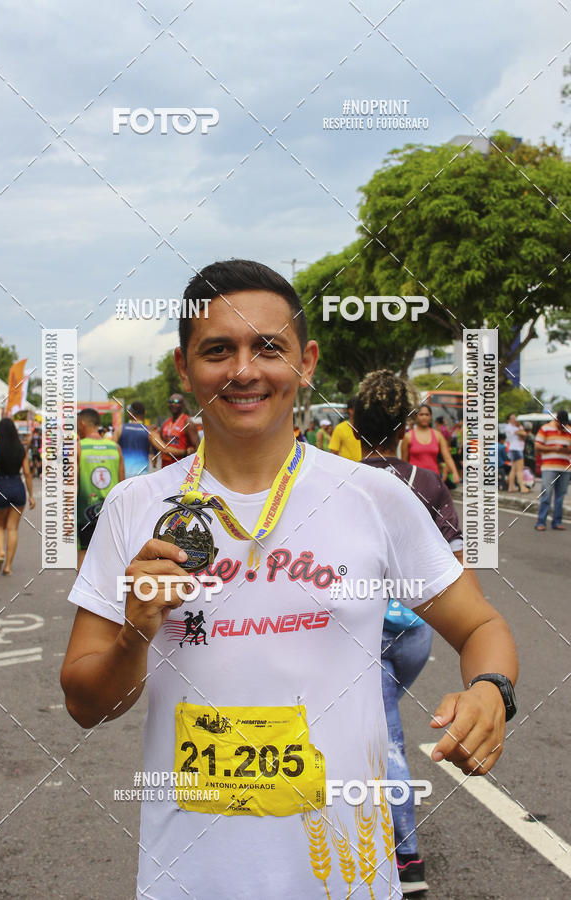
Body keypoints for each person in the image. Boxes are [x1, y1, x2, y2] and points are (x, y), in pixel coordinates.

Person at [61, 259, 517, 900]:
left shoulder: (371, 498)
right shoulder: (135, 508)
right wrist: (134, 636)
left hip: (345, 877)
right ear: (184, 367)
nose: (244, 371)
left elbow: (481, 625)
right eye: (218, 350)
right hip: (189, 879)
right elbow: (84, 703)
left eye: (268, 348)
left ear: (306, 362)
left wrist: (491, 692)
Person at [354, 370, 479, 895]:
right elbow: (456, 570)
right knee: (380, 728)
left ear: (354, 426)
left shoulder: (340, 480)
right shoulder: (427, 484)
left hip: (365, 630)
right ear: (407, 428)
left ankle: (406, 858)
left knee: (388, 739)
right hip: (417, 634)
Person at [77, 408, 124, 569]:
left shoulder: (78, 447)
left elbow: (72, 484)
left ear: (82, 423)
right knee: (109, 557)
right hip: (111, 512)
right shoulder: (115, 448)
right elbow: (122, 483)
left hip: (85, 512)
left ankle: (84, 593)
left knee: (84, 553)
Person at [0, 417, 35, 575]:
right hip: (18, 487)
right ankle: (7, 566)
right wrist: (31, 496)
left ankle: (0, 552)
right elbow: (27, 473)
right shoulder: (20, 449)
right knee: (13, 528)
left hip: (1, 486)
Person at [401, 404, 459, 484]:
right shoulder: (408, 436)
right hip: (414, 481)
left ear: (430, 416)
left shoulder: (438, 435)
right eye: (421, 414)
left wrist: (455, 472)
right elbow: (404, 462)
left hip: (434, 480)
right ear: (416, 417)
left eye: (427, 414)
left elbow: (447, 457)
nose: (424, 417)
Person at [534, 410, 571, 531]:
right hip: (549, 467)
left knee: (560, 497)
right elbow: (537, 446)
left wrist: (565, 450)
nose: (563, 426)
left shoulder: (569, 430)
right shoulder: (545, 429)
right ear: (556, 420)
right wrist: (554, 448)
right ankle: (541, 522)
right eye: (561, 423)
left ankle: (557, 522)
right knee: (546, 495)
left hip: (565, 468)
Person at [114, 401, 171, 478]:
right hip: (141, 477)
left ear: (130, 413)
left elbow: (111, 449)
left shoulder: (120, 429)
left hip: (122, 475)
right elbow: (165, 449)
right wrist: (185, 451)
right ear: (144, 413)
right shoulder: (149, 431)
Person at [158, 394, 200, 467]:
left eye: (177, 402)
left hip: (181, 468)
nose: (173, 404)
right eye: (170, 401)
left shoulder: (187, 423)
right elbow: (159, 443)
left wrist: (186, 452)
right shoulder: (165, 423)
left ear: (183, 405)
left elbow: (198, 449)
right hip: (165, 467)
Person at [504, 413, 530, 494]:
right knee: (520, 469)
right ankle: (522, 487)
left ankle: (511, 487)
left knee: (513, 469)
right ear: (508, 420)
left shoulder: (516, 427)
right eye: (512, 418)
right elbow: (523, 434)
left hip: (515, 449)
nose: (514, 420)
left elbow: (522, 435)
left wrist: (520, 429)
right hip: (516, 449)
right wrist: (520, 429)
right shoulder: (509, 427)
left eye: (515, 418)